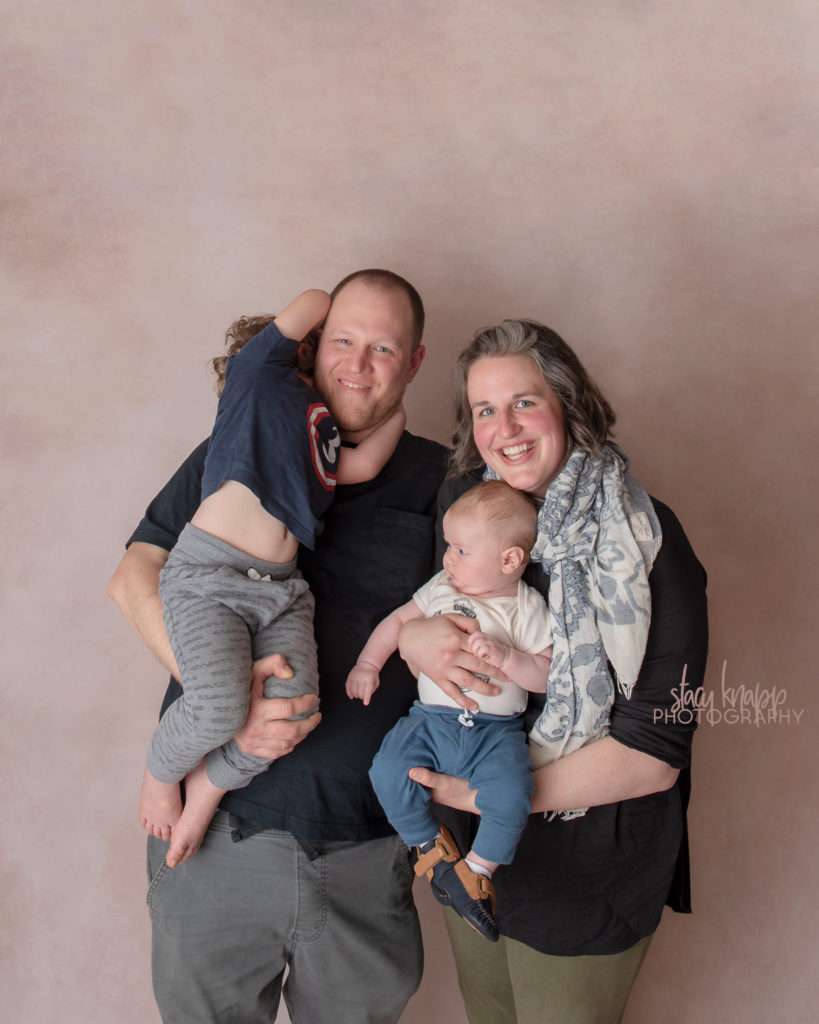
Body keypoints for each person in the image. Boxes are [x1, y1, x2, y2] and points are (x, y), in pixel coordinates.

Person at [107, 269, 449, 1024]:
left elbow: (481, 604)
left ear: (414, 362)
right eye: (344, 340)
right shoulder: (249, 429)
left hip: (364, 849)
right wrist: (230, 698)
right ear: (315, 342)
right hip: (221, 845)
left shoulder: (442, 478)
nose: (358, 364)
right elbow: (134, 577)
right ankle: (187, 780)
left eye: (384, 348)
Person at [398, 319, 709, 1024]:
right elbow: (427, 606)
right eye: (484, 409)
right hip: (474, 857)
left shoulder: (648, 541)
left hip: (586, 871)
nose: (503, 428)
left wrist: (482, 796)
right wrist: (416, 639)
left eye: (523, 402)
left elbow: (653, 754)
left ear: (567, 404)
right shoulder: (466, 508)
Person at [139, 288, 407, 869]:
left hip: (280, 590)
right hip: (210, 575)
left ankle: (209, 786)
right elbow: (308, 304)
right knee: (218, 706)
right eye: (337, 342)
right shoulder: (256, 383)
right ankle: (160, 776)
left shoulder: (322, 435)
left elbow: (364, 465)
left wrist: (399, 414)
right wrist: (335, 307)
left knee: (298, 708)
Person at [347, 480, 553, 941]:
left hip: (496, 733)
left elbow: (546, 675)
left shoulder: (525, 607)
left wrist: (507, 658)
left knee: (513, 794)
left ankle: (477, 872)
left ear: (509, 560)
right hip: (430, 721)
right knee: (387, 771)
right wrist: (368, 664)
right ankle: (427, 842)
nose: (447, 559)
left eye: (461, 550)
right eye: (448, 546)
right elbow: (399, 621)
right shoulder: (441, 588)